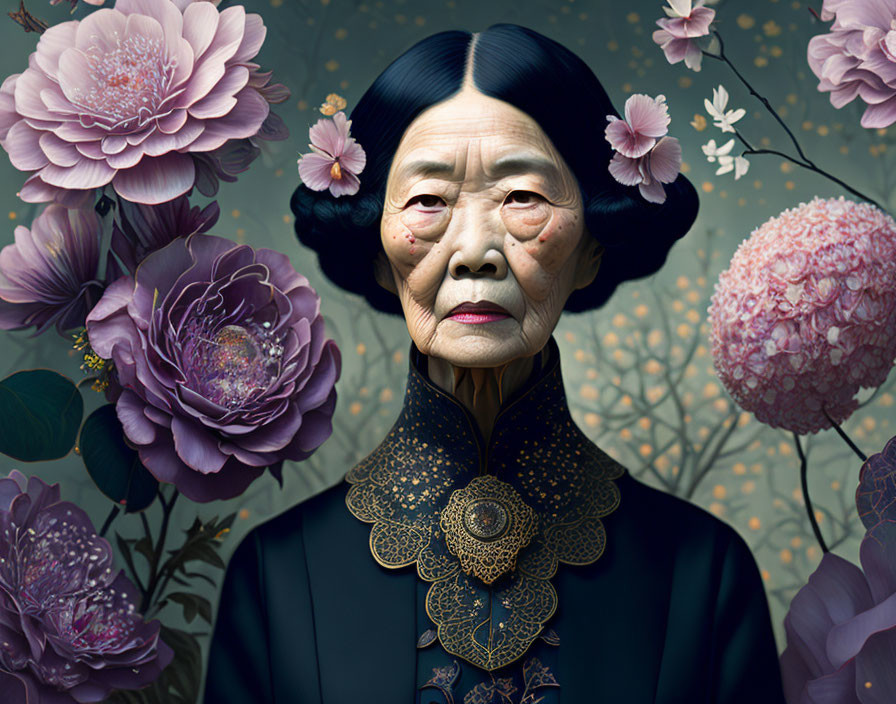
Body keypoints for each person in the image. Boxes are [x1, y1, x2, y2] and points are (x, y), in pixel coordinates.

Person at [203, 24, 787, 703]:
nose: (474, 249)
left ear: (593, 244)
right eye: (429, 201)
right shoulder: (279, 577)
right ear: (376, 250)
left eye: (523, 198)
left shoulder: (702, 573)